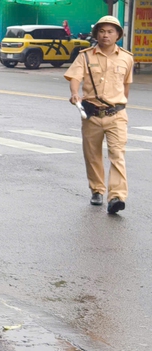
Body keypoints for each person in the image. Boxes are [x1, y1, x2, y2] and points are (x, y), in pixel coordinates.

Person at [64, 15, 133, 214]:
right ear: (96, 34)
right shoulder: (85, 56)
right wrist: (75, 93)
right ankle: (97, 189)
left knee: (117, 155)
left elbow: (126, 86)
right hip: (92, 115)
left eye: (110, 31)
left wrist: (119, 104)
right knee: (92, 155)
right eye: (102, 31)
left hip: (116, 115)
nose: (105, 35)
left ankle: (117, 196)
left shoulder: (127, 58)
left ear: (118, 35)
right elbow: (75, 77)